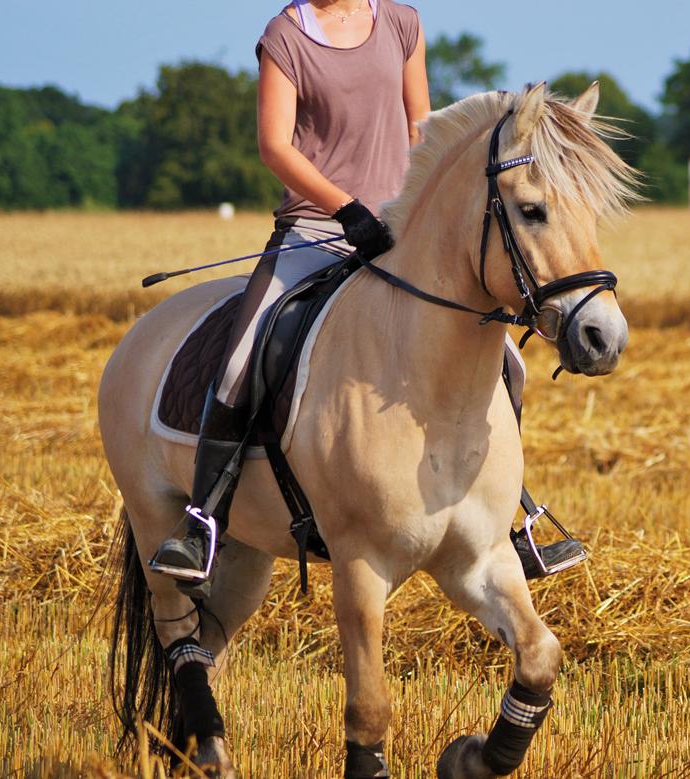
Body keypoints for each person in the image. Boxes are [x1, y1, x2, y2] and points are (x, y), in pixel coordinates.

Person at [151, 0, 582, 593]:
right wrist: (345, 209)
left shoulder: (401, 23)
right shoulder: (285, 35)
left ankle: (511, 516)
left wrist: (413, 211)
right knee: (240, 359)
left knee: (504, 360)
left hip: (398, 230)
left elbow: (420, 128)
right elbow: (277, 146)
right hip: (316, 228)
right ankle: (204, 516)